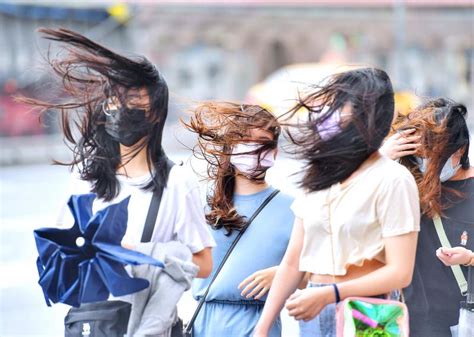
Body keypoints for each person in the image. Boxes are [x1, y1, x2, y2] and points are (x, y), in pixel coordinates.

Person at [23, 28, 215, 334]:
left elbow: (204, 264)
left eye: (135, 101)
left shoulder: (176, 183)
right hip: (94, 321)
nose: (122, 109)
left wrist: (143, 252)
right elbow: (61, 254)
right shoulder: (85, 178)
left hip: (149, 323)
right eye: (115, 101)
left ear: (155, 113)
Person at [253, 68, 420, 337]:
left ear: (364, 115)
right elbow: (293, 263)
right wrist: (262, 328)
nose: (326, 113)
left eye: (337, 104)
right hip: (314, 310)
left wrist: (331, 294)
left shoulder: (393, 179)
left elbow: (400, 273)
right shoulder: (319, 177)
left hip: (371, 311)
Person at [185, 102, 295, 337]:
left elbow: (319, 270)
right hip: (202, 323)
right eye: (245, 140)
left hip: (258, 325)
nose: (253, 149)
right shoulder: (204, 203)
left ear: (274, 152)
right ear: (230, 147)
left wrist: (283, 273)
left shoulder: (292, 209)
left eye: (262, 142)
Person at [381, 98, 474, 336]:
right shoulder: (403, 183)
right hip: (409, 322)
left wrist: (470, 259)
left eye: (432, 156)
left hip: (461, 324)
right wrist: (380, 161)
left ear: (460, 150)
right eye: (419, 156)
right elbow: (348, 220)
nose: (426, 164)